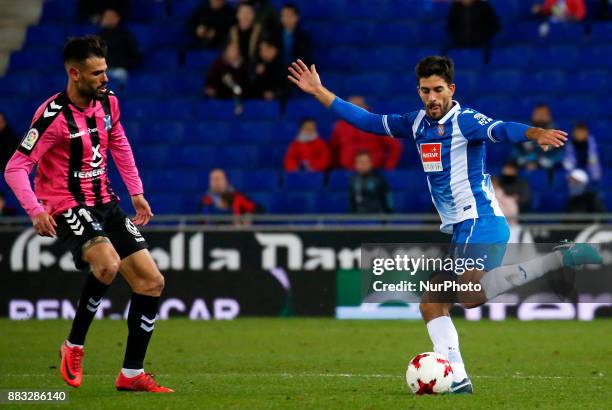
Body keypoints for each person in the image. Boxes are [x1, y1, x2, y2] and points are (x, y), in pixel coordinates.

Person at [288, 55, 602, 393]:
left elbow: (501, 129)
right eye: (425, 91)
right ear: (419, 91)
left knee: (465, 296)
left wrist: (534, 132)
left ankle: (557, 259)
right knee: (432, 302)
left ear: (451, 89)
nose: (432, 98)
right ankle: (458, 378)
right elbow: (368, 121)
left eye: (438, 90)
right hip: (463, 228)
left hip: (479, 220)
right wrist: (320, 92)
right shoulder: (416, 123)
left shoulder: (465, 121)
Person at [4, 36, 172, 393]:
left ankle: (131, 375)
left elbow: (120, 143)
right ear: (74, 73)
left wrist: (136, 192)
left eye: (106, 71)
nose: (105, 78)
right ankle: (73, 346)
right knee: (107, 264)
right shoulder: (52, 117)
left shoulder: (109, 103)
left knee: (151, 282)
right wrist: (35, 210)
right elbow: (15, 167)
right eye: (97, 73)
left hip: (106, 202)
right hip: (66, 203)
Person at [328, 96, 403, 170]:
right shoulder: (340, 126)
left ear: (366, 107)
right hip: (347, 173)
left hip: (373, 173)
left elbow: (395, 146)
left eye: (358, 106)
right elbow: (334, 149)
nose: (353, 110)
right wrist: (336, 171)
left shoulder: (376, 122)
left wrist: (388, 170)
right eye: (349, 107)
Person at [512, 104, 563, 172]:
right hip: (524, 168)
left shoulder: (557, 133)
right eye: (538, 113)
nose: (541, 116)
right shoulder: (523, 131)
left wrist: (539, 162)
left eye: (544, 114)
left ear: (549, 116)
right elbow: (515, 153)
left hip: (549, 170)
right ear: (533, 115)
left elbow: (560, 156)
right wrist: (526, 161)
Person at [97, 8, 140, 86]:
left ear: (117, 18)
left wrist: (125, 64)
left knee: (121, 76)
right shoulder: (99, 36)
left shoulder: (125, 35)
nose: (109, 19)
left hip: (120, 68)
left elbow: (134, 54)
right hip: (104, 69)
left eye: (112, 17)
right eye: (107, 17)